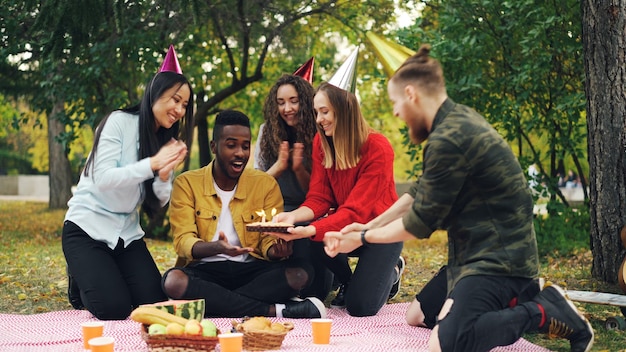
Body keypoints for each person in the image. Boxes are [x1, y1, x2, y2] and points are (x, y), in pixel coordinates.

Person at [323, 44, 594, 352]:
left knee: (445, 343)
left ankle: (541, 310)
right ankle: (512, 301)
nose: (396, 112)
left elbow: (418, 224)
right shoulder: (455, 121)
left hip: (499, 262)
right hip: (468, 257)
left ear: (411, 94)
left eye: (396, 103)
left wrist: (362, 235)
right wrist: (369, 225)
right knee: (417, 315)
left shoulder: (449, 138)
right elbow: (417, 194)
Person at [62, 48, 194, 320]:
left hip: (127, 234)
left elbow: (156, 203)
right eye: (176, 100)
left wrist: (165, 175)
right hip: (86, 228)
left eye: (185, 105)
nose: (180, 110)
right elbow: (104, 179)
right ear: (156, 93)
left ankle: (103, 272)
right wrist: (153, 164)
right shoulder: (118, 121)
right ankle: (79, 281)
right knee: (114, 309)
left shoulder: (162, 142)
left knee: (153, 303)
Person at [161, 109, 326, 319]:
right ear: (214, 147)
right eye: (231, 145)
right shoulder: (187, 183)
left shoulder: (265, 184)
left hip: (252, 270)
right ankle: (275, 310)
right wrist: (216, 248)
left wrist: (276, 251)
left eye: (245, 146)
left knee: (300, 275)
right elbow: (183, 242)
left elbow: (267, 241)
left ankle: (215, 304)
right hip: (206, 271)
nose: (240, 153)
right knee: (173, 281)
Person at [270, 82, 405, 317]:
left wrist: (308, 229)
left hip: (381, 231)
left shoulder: (378, 147)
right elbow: (319, 198)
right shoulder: (322, 143)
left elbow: (356, 212)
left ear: (344, 110)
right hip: (349, 228)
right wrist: (291, 217)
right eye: (316, 112)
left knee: (360, 307)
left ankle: (392, 271)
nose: (319, 119)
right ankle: (347, 280)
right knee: (314, 234)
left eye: (325, 111)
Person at [254, 73, 333, 300]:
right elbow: (256, 186)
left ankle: (334, 276)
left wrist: (299, 169)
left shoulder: (320, 132)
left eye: (294, 101)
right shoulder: (266, 132)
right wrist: (279, 166)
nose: (287, 108)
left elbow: (319, 194)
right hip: (277, 209)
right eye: (281, 103)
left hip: (311, 210)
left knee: (317, 291)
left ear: (306, 102)